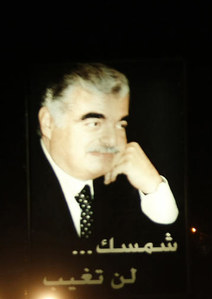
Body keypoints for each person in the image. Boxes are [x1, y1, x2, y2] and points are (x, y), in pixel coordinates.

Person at [32, 62, 179, 249]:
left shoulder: (123, 182)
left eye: (120, 125)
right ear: (48, 123)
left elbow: (165, 253)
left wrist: (153, 187)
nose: (112, 141)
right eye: (94, 123)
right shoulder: (19, 188)